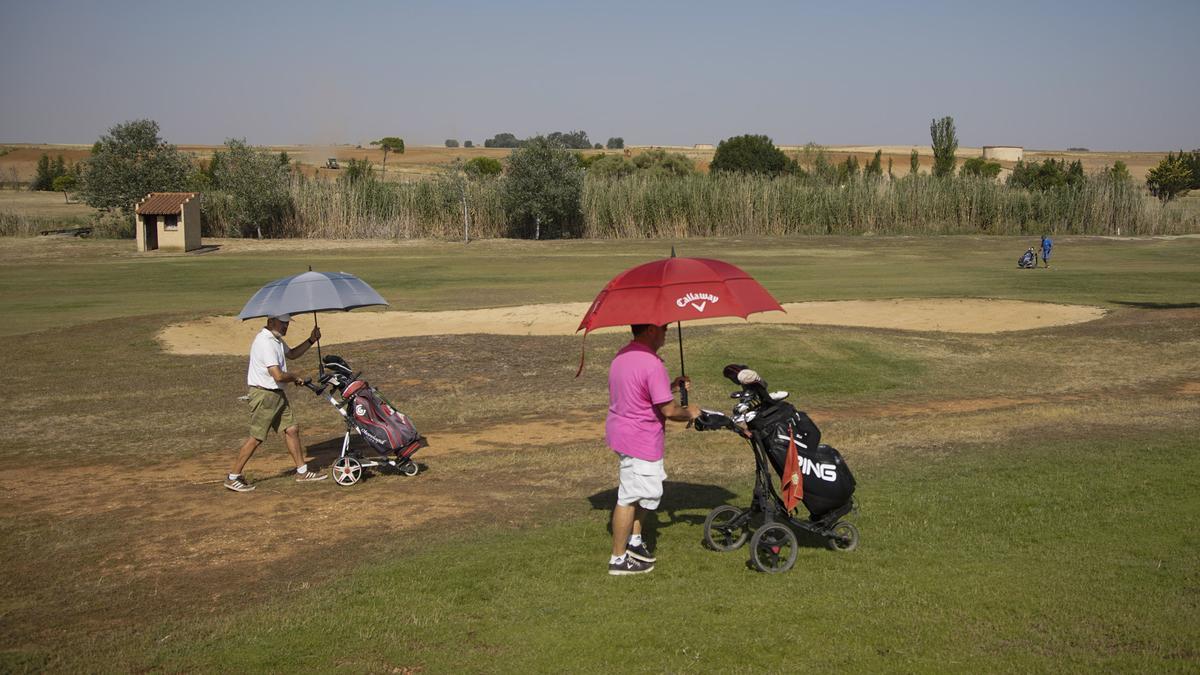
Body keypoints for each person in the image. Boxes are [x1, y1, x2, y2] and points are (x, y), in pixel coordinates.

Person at [605, 323, 700, 575]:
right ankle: (618, 559)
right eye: (663, 328)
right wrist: (691, 412)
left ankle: (635, 543)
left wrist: (671, 386)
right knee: (629, 496)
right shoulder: (652, 364)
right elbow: (669, 411)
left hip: (622, 432)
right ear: (649, 330)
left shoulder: (623, 355)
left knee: (645, 492)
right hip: (639, 438)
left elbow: (640, 393)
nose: (666, 332)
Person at [224, 313, 327, 492]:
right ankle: (233, 477)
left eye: (287, 324)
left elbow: (293, 354)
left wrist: (311, 340)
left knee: (292, 429)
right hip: (265, 395)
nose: (285, 327)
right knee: (256, 437)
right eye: (282, 323)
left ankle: (302, 471)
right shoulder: (265, 342)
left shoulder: (276, 339)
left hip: (277, 394)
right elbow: (278, 375)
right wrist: (295, 377)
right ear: (271, 322)